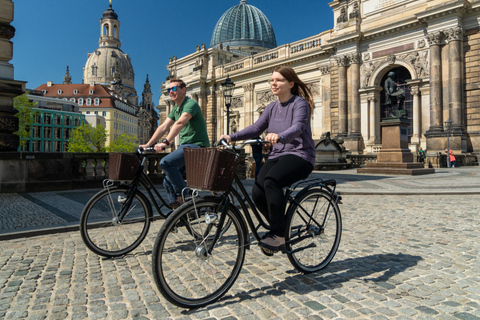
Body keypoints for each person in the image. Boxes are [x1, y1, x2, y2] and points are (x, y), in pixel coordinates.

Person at [220, 66, 316, 252]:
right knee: (257, 191)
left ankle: (278, 234)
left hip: (300, 155)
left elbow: (298, 126)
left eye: (278, 80)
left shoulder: (300, 104)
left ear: (290, 83)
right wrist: (232, 136)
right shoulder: (271, 107)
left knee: (272, 181)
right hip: (278, 154)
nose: (273, 83)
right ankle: (279, 224)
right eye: (272, 80)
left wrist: (280, 136)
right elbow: (256, 128)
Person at [139, 79, 210, 208]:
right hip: (186, 148)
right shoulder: (176, 109)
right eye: (168, 90)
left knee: (165, 162)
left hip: (197, 147)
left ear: (183, 90)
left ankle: (185, 197)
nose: (170, 92)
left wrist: (165, 142)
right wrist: (147, 144)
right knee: (167, 181)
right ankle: (179, 216)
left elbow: (180, 123)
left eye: (173, 89)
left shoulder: (190, 104)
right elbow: (163, 127)